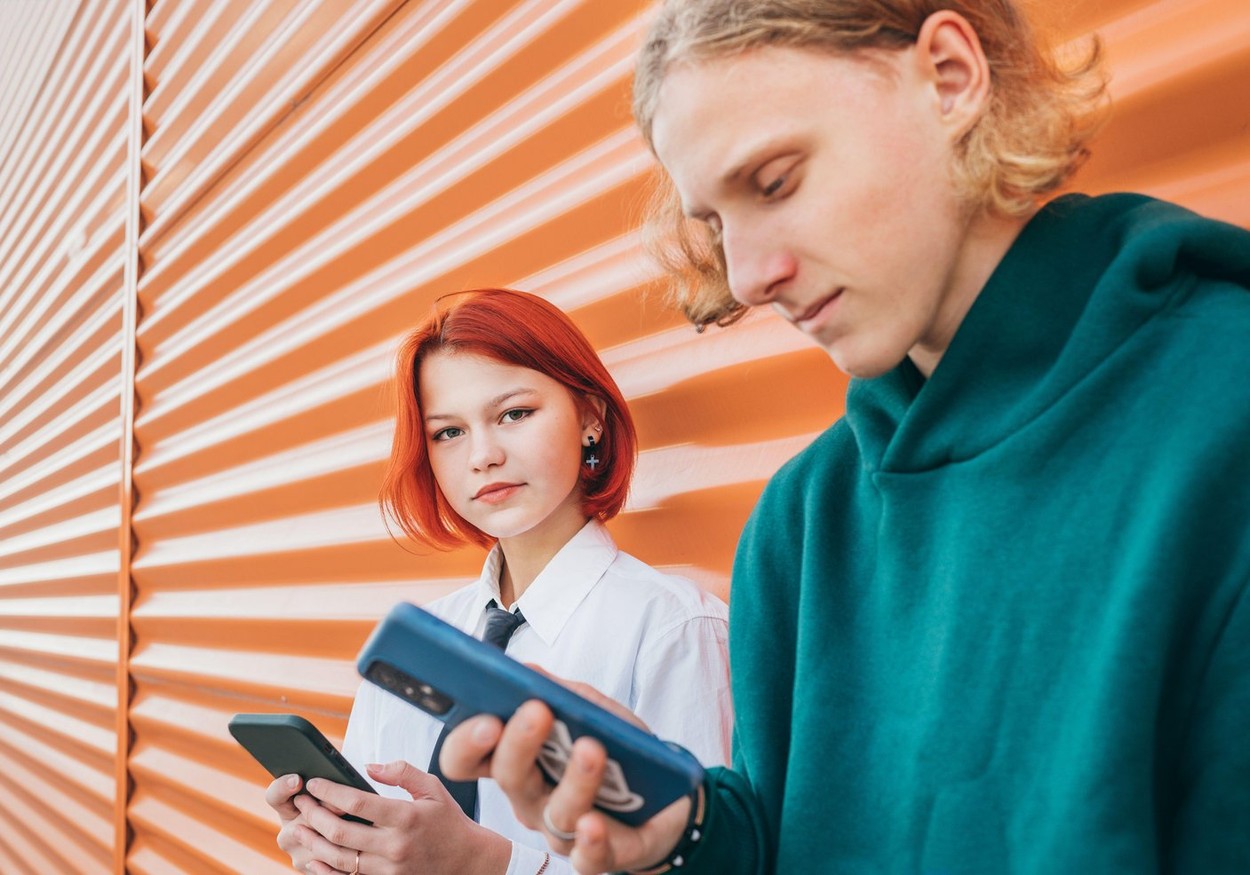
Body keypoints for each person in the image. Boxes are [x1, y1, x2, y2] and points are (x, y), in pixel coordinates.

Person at [437, 2, 1250, 873]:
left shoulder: (1222, 405)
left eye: (776, 181)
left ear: (950, 77)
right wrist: (689, 830)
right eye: (713, 222)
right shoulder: (802, 520)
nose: (747, 276)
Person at [263, 288, 733, 875]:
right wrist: (334, 851)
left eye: (514, 413)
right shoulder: (417, 641)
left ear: (591, 417)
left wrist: (489, 865)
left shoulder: (675, 629)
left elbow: (708, 865)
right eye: (448, 432)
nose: (482, 456)